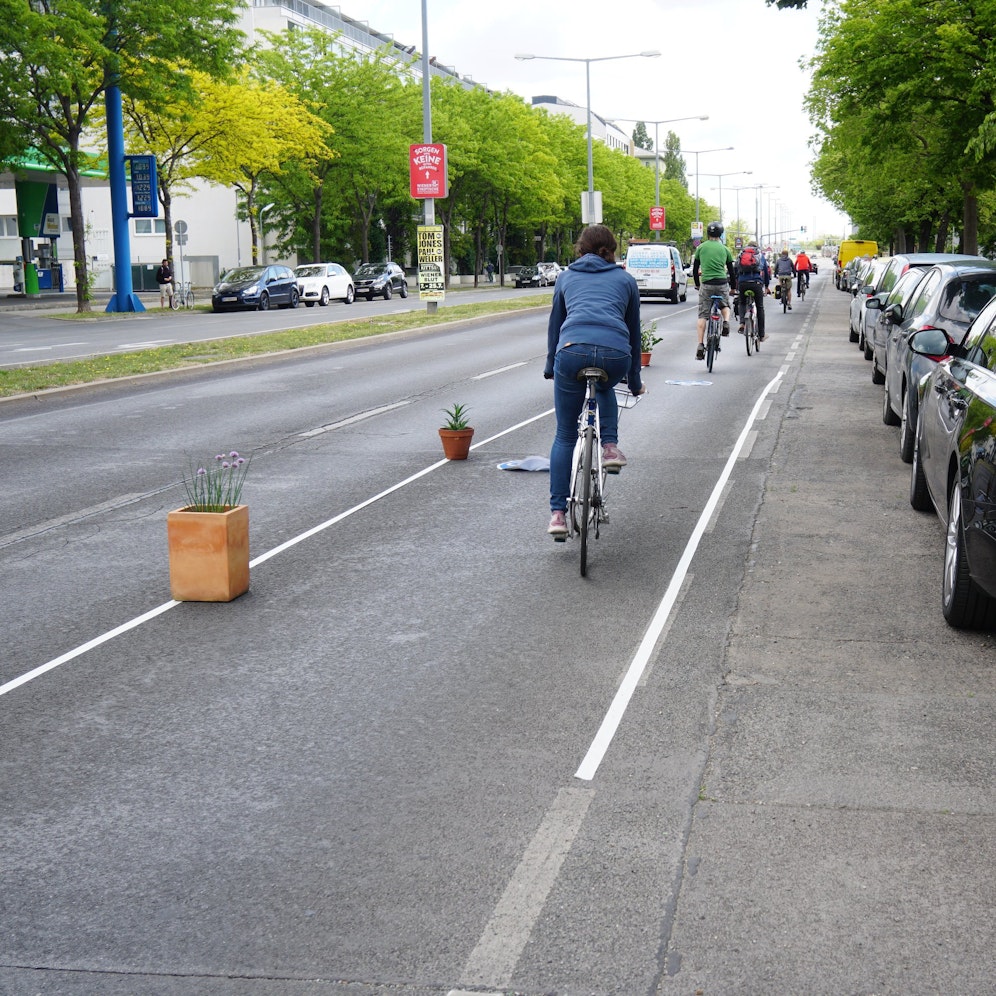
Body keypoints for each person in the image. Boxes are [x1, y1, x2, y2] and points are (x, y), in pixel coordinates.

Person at [544, 224, 645, 537]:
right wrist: (635, 379)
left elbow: (555, 326)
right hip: (615, 354)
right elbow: (633, 332)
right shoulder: (626, 280)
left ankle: (558, 515)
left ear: (581, 249)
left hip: (571, 351)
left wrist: (551, 364)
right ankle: (611, 447)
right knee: (605, 385)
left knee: (564, 435)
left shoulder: (565, 278)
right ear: (611, 250)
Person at [691, 221, 736, 361]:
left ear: (708, 233)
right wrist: (733, 287)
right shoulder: (725, 249)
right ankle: (726, 321)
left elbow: (695, 269)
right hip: (722, 283)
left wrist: (698, 284)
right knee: (725, 306)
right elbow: (732, 271)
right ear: (720, 234)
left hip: (707, 284)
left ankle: (700, 344)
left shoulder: (701, 248)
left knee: (703, 315)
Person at [734, 239, 771, 342]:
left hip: (743, 284)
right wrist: (766, 286)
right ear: (757, 247)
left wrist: (736, 284)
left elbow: (735, 269)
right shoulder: (760, 255)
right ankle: (762, 335)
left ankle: (742, 323)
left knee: (741, 302)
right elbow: (766, 272)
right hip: (756, 283)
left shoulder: (741, 254)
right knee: (760, 308)